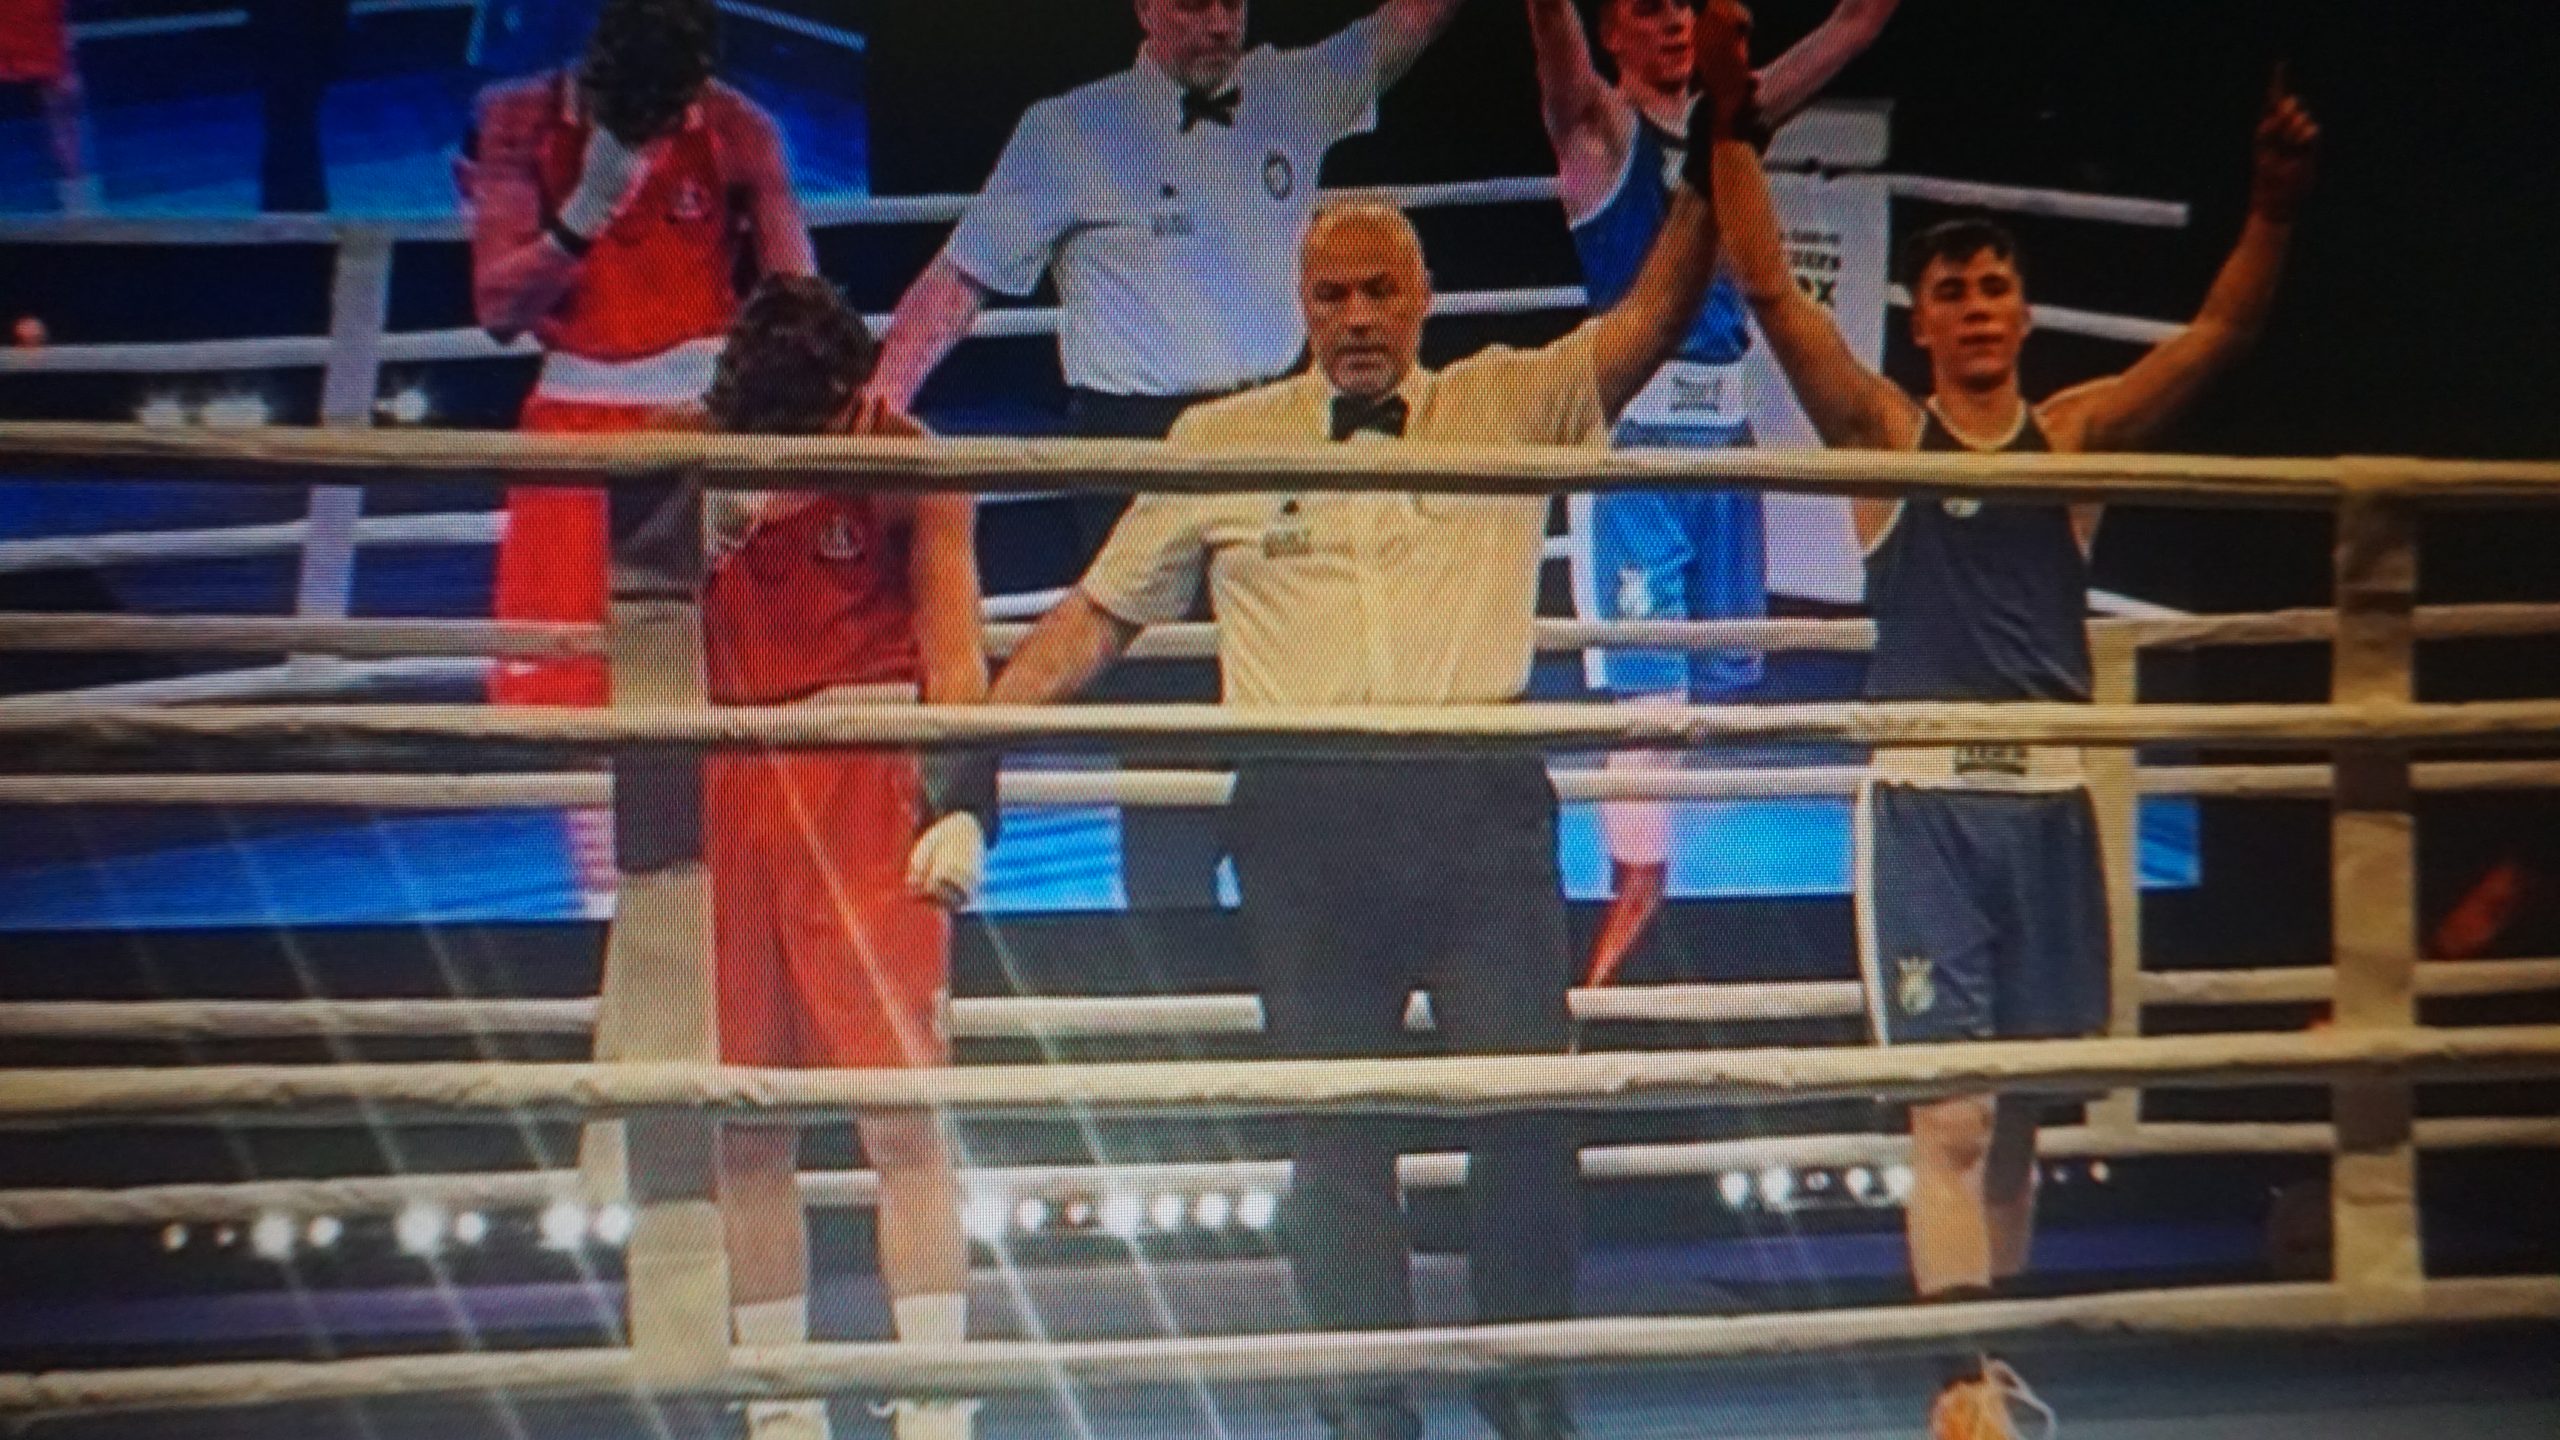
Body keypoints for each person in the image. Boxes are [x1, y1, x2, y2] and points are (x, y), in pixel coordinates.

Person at [909, 11, 1762, 1437]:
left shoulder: (1510, 399)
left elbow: (1659, 315)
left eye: (1379, 290)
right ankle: (1366, 1407)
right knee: (1335, 1138)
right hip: (1305, 816)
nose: (1358, 316)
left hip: (1479, 810)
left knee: (1526, 1117)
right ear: (1301, 305)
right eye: (1332, 294)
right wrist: (966, 756)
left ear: (1421, 298)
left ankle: (1525, 1386)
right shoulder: (1221, 442)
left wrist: (1721, 142)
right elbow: (1094, 621)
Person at [1708, 63, 2318, 1438]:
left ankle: (1989, 1361)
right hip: (1927, 810)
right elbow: (1775, 300)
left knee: (2024, 1116)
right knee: (1952, 1119)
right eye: (1953, 292)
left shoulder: (2073, 436)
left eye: (1995, 288)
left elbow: (2217, 337)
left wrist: (2274, 211)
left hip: (2049, 808)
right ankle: (1958, 1384)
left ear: (2022, 311)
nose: (1978, 308)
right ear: (1921, 321)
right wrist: (1731, 136)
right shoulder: (1884, 435)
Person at [870, 0, 1477, 911]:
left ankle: (1309, 928)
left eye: (1232, 2)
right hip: (1135, 446)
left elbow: (1410, 24)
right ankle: (1175, 938)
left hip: (1278, 432)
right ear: (1146, 8)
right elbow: (960, 284)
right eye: (1195, 3)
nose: (1220, 22)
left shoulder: (1295, 88)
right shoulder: (1069, 130)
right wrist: (868, 417)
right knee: (1157, 711)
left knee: (1296, 684)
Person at [1526, 0, 1898, 985]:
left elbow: (1852, 27)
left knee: (1721, 693)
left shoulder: (1733, 118)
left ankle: (1676, 908)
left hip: (1728, 445)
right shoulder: (1599, 132)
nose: (1673, 24)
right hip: (1638, 460)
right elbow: (1554, 47)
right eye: (1647, 8)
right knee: (1649, 707)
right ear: (1612, 31)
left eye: (1682, 6)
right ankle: (1625, 920)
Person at [692, 277, 986, 1440]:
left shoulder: (902, 459)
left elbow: (953, 646)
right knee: (745, 1127)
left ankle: (936, 1415)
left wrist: (967, 802)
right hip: (725, 783)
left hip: (865, 777)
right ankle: (781, 1416)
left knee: (902, 1119)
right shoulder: (679, 458)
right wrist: (696, 526)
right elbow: (622, 628)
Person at [462, 0, 810, 906]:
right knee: (578, 695)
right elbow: (498, 308)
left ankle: (734, 914)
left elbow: (799, 305)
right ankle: (606, 916)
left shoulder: (738, 129)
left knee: (735, 678)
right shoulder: (518, 120)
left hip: (706, 425)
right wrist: (585, 209)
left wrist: (779, 433)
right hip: (575, 434)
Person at [1, 0, 100, 213]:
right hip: (37, 41)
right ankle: (80, 201)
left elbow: (61, 16)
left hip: (45, 43)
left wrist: (67, 58)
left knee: (65, 115)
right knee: (65, 117)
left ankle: (80, 201)